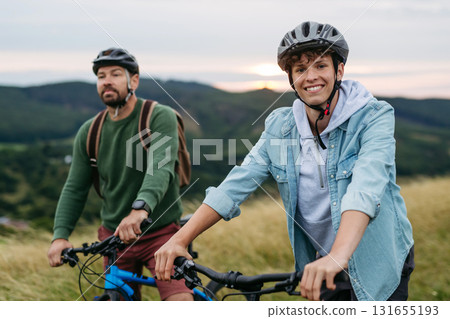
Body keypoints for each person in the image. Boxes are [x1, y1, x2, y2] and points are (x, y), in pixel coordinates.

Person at [154, 22, 414, 301]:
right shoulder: (281, 127)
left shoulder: (373, 117)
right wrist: (179, 239)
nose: (310, 76)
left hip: (378, 258)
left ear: (339, 70)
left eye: (320, 66)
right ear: (291, 79)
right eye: (301, 69)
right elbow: (237, 182)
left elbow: (366, 187)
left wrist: (338, 255)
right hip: (321, 263)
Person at [47, 48, 193, 301]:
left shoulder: (158, 116)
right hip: (113, 240)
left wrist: (140, 209)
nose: (107, 81)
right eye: (101, 76)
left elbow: (160, 166)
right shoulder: (90, 130)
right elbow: (75, 187)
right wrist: (60, 235)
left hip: (160, 232)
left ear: (133, 80)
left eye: (116, 74)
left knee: (180, 301)